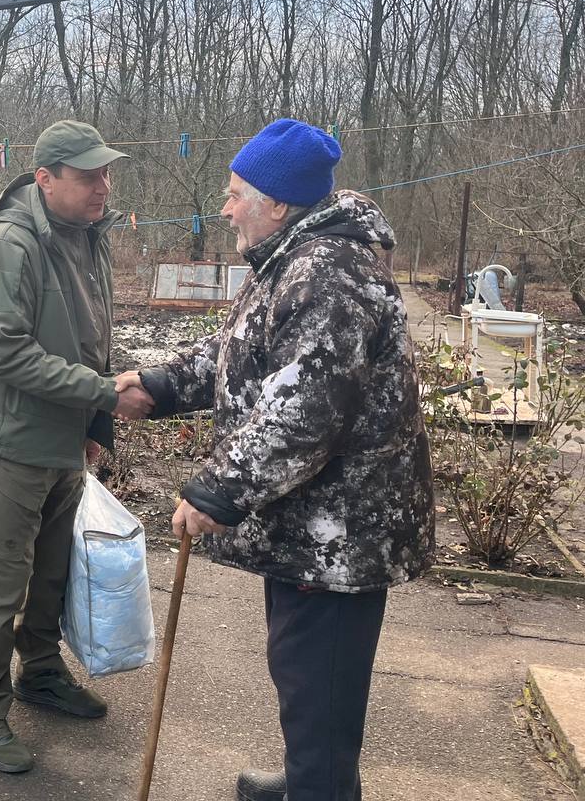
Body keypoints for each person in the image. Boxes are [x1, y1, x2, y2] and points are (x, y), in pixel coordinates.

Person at [136, 118, 434, 801]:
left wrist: (215, 492)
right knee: (306, 678)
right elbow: (243, 351)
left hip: (339, 534)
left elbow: (304, 414)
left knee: (319, 685)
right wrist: (156, 386)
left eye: (236, 193)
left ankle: (320, 787)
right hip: (315, 525)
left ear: (277, 203)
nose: (225, 206)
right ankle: (309, 780)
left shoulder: (325, 273)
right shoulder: (294, 259)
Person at [0, 119, 153, 774]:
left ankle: (37, 673)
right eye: (89, 175)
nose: (104, 185)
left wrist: (96, 429)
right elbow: (9, 354)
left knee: (52, 576)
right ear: (45, 178)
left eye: (107, 173)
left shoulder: (87, 236)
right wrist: (102, 394)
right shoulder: (8, 244)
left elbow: (94, 335)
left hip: (66, 442)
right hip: (12, 444)